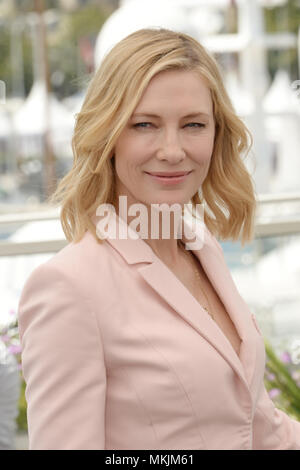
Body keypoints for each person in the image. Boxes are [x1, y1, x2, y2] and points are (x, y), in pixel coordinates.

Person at [17, 28, 300, 450]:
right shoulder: (68, 288)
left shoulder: (202, 248)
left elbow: (256, 424)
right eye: (145, 124)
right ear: (108, 135)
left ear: (216, 134)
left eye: (193, 125)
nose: (172, 150)